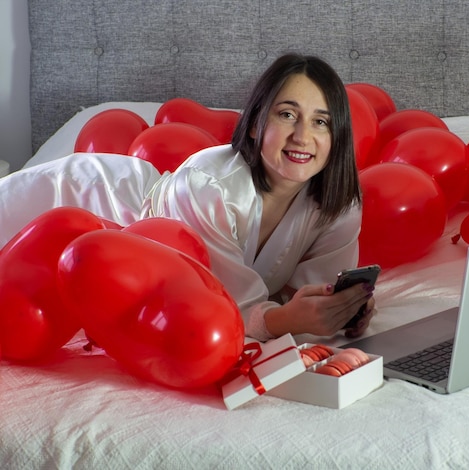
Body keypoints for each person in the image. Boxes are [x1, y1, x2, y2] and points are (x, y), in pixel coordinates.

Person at [0, 53, 375, 342]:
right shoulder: (209, 186)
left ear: (337, 135)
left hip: (107, 262)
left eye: (320, 122)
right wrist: (286, 320)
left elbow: (306, 293)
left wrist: (342, 308)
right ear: (257, 123)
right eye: (287, 115)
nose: (302, 137)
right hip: (90, 200)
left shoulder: (338, 204)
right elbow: (226, 310)